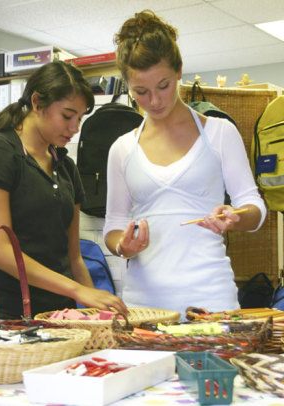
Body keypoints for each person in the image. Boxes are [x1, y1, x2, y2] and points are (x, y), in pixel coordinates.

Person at [103, 10, 267, 317]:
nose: (154, 101)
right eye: (141, 92)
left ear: (179, 71)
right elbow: (112, 226)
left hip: (212, 301)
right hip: (144, 309)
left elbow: (254, 207)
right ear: (128, 87)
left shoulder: (220, 133)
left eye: (163, 86)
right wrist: (123, 246)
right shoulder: (122, 149)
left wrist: (236, 216)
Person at [0, 60, 127, 321]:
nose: (74, 128)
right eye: (67, 115)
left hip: (59, 316)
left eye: (80, 118)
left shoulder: (66, 167)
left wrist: (97, 311)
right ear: (37, 102)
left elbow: (74, 258)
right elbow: (0, 251)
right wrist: (78, 290)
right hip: (7, 319)